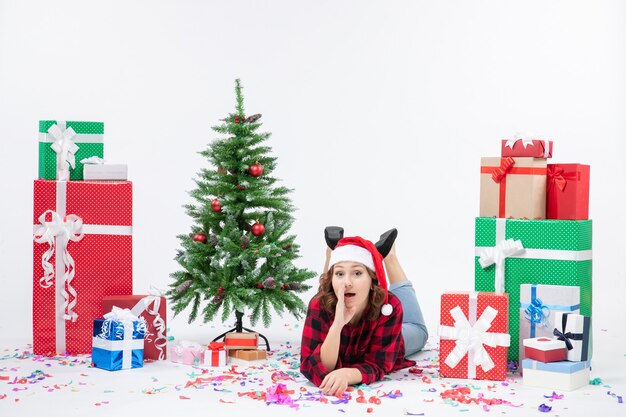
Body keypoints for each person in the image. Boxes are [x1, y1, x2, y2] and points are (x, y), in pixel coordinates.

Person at [300, 227, 428, 395]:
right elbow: (313, 367)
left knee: (419, 331)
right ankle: (332, 254)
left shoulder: (389, 307)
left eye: (357, 273)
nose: (347, 282)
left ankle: (389, 257)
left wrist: (348, 374)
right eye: (339, 273)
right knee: (327, 292)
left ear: (372, 279)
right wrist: (337, 325)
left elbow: (380, 363)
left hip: (392, 338)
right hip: (336, 314)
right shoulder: (319, 304)